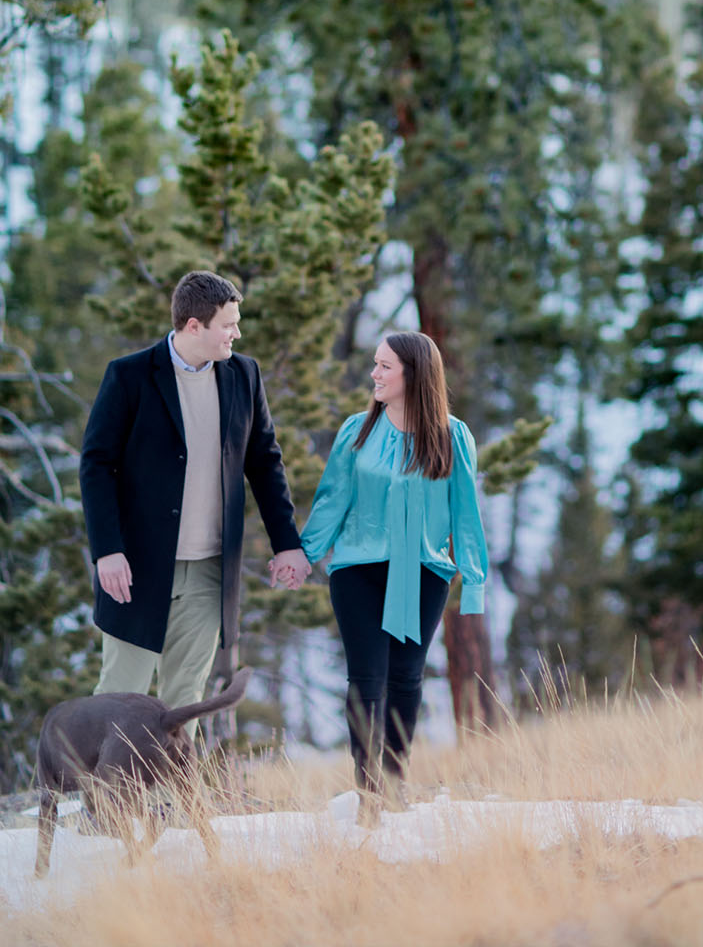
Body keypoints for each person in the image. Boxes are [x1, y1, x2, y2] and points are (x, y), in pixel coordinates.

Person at [80, 271, 310, 743]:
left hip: (208, 572)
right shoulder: (129, 376)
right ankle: (104, 811)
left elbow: (265, 464)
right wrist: (107, 550)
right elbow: (96, 466)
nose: (237, 333)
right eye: (228, 324)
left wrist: (287, 544)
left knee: (184, 702)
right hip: (135, 569)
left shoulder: (244, 375)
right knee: (120, 695)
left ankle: (182, 809)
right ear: (192, 326)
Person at [299, 330, 488, 813]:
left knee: (406, 678)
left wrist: (474, 580)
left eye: (385, 366)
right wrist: (305, 554)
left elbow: (466, 510)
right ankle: (369, 794)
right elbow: (332, 500)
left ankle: (395, 784)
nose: (374, 374)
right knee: (367, 678)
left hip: (424, 571)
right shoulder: (356, 430)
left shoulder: (452, 434)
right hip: (358, 569)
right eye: (375, 364)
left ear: (414, 373)